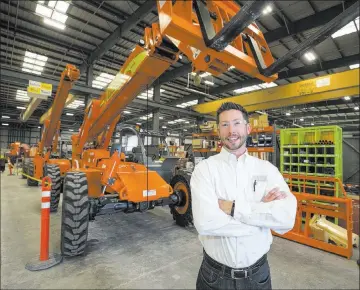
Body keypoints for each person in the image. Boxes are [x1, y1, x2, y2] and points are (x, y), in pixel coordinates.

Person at [191, 102, 297, 290]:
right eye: (225, 124)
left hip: (258, 276)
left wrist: (233, 208)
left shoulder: (267, 169)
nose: (231, 130)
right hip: (214, 277)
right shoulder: (205, 170)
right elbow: (206, 224)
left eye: (237, 123)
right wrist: (261, 220)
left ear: (248, 128)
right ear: (218, 131)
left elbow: (286, 219)